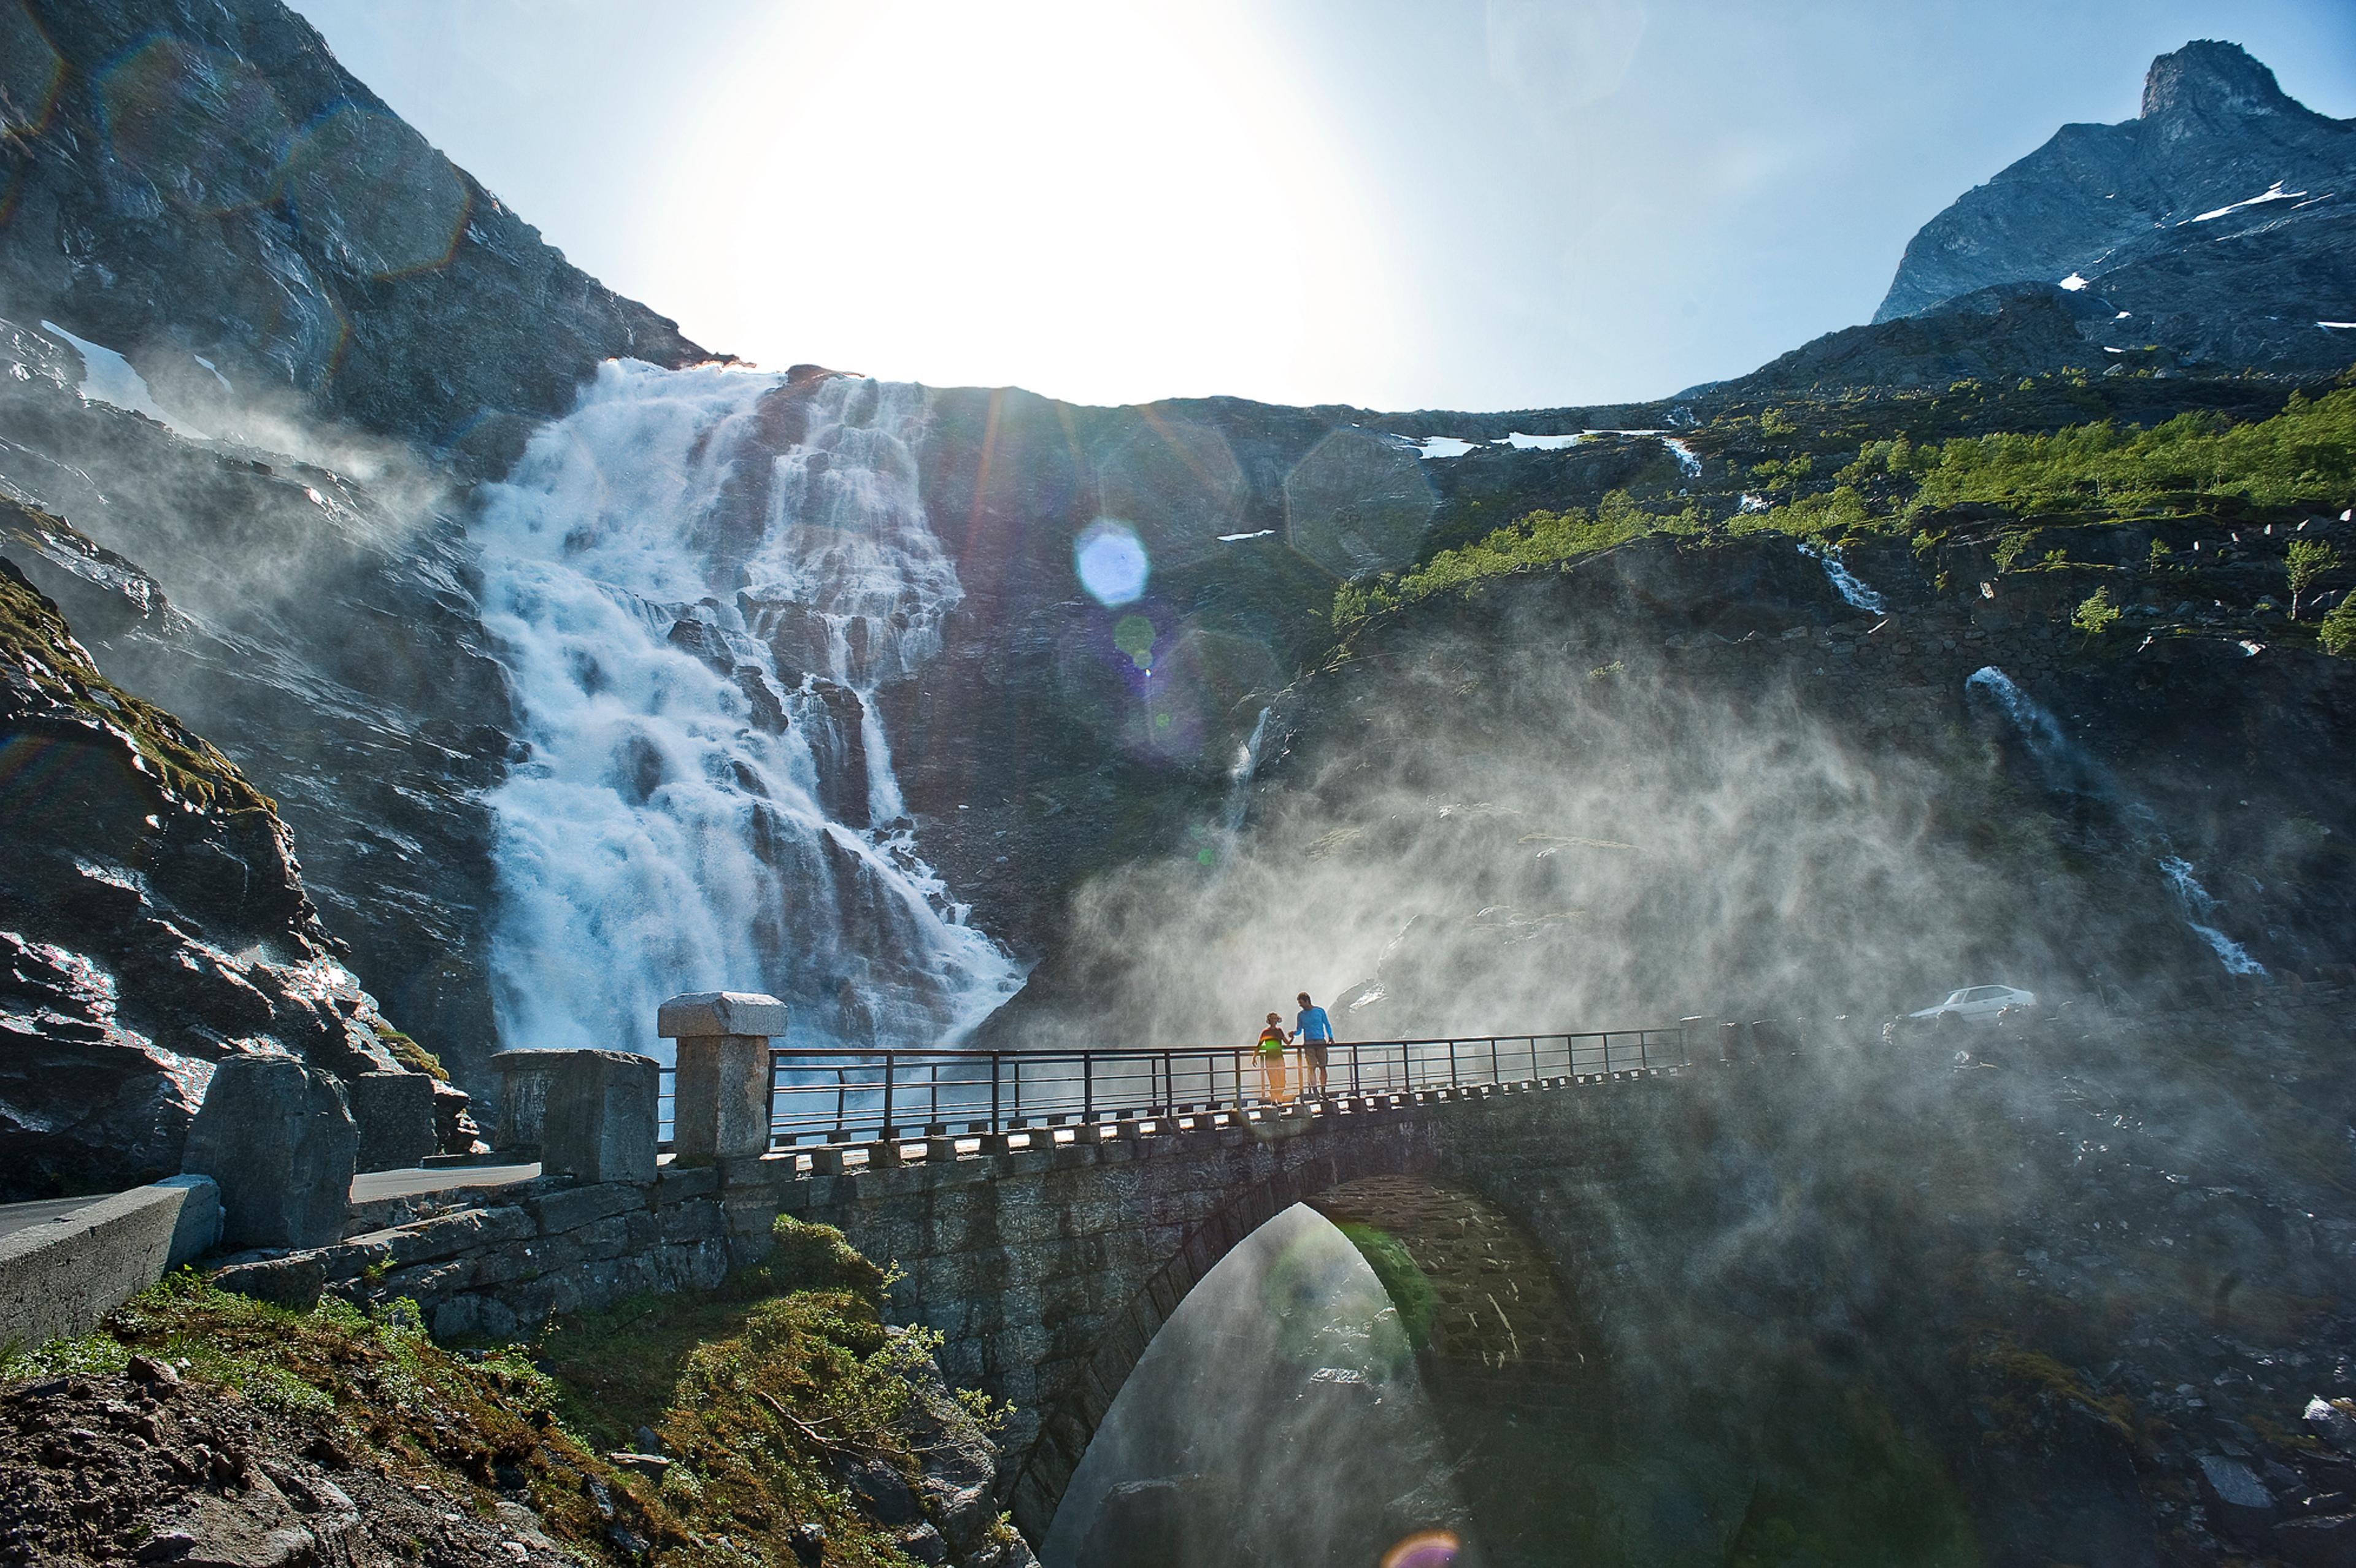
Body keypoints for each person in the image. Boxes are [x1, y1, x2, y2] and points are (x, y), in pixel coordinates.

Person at [1295, 992, 1335, 1097]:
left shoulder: (1319, 1011)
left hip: (1320, 1041)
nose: (1300, 1005)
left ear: (1307, 1001)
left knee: (1323, 1067)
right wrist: (1294, 1033)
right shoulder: (1300, 1015)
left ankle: (1323, 1090)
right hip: (1309, 1043)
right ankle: (1315, 1091)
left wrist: (1330, 1037)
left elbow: (1327, 1025)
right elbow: (1299, 1030)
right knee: (1311, 1067)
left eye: (1301, 1003)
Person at [1255, 1012, 1290, 1103]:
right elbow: (1259, 1045)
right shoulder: (1265, 1032)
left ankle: (1279, 1099)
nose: (1274, 1020)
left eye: (1275, 1019)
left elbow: (1287, 1043)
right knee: (1273, 1080)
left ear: (1277, 1020)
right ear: (1269, 1020)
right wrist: (1254, 1056)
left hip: (1279, 1057)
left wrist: (1292, 1037)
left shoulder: (1279, 1031)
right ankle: (1275, 1101)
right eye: (1272, 1019)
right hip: (1270, 1058)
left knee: (1282, 1079)